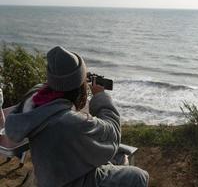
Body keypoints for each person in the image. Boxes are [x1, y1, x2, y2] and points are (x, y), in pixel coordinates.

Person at [5, 46, 149, 187]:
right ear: (79, 85)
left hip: (49, 177)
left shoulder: (33, 104)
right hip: (78, 181)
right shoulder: (72, 122)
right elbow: (113, 135)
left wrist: (69, 80)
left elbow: (47, 86)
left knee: (118, 157)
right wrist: (100, 95)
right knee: (139, 176)